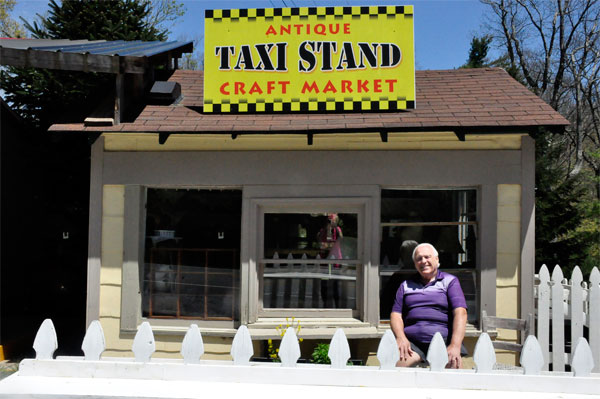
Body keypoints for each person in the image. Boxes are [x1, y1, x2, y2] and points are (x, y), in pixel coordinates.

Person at [390, 243, 467, 368]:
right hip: (412, 345)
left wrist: (455, 345)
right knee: (398, 370)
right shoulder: (405, 285)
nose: (423, 261)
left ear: (436, 259)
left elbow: (461, 313)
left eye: (427, 257)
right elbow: (395, 315)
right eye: (419, 259)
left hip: (443, 342)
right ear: (415, 264)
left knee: (453, 373)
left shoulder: (450, 281)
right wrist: (401, 338)